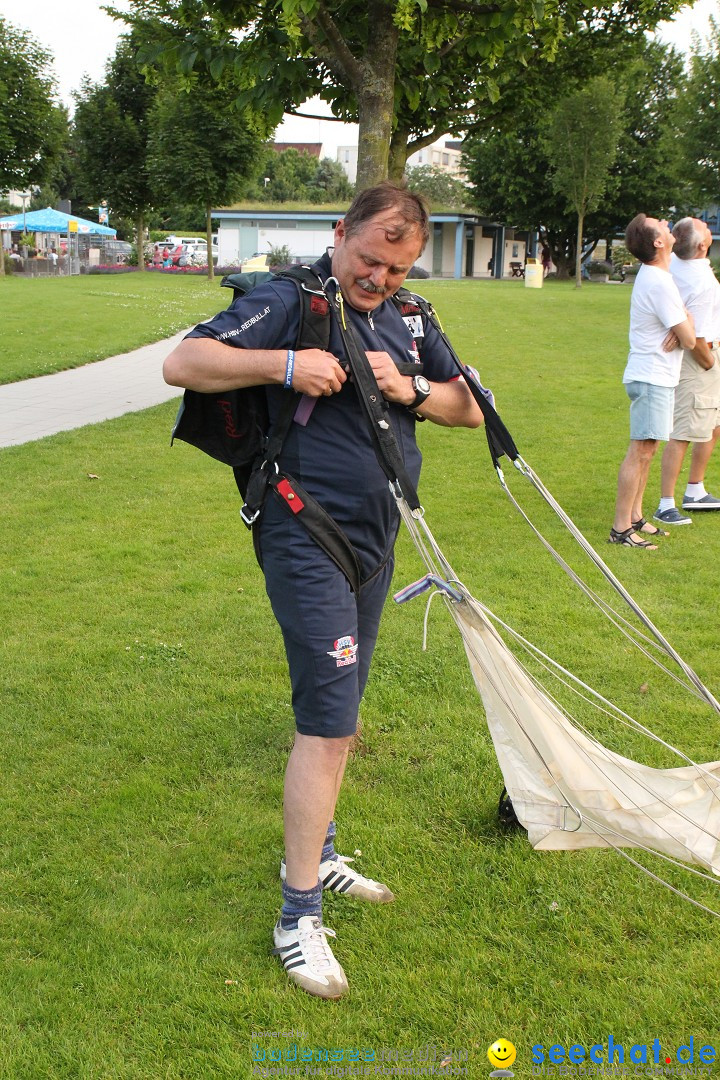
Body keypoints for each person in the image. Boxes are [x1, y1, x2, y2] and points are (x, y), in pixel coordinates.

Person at [163, 182, 485, 1000]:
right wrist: (287, 365)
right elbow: (184, 362)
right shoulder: (290, 300)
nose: (379, 277)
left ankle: (324, 850)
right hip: (303, 530)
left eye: (397, 265)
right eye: (370, 259)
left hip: (380, 538)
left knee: (341, 717)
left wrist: (408, 387)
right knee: (329, 723)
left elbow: (468, 410)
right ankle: (295, 913)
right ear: (340, 234)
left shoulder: (411, 317)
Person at [610, 214, 695, 549]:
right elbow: (688, 338)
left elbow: (683, 331)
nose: (665, 223)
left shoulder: (659, 276)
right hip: (651, 377)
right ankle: (620, 529)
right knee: (641, 450)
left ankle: (635, 517)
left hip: (655, 376)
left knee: (649, 448)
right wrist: (684, 323)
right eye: (660, 223)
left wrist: (681, 324)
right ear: (658, 242)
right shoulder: (659, 281)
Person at [654, 218, 720, 526]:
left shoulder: (677, 265)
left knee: (712, 421)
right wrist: (710, 362)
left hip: (698, 351)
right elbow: (699, 336)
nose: (708, 226)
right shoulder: (700, 280)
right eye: (704, 227)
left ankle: (695, 488)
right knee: (683, 430)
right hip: (700, 356)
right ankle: (666, 503)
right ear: (703, 244)